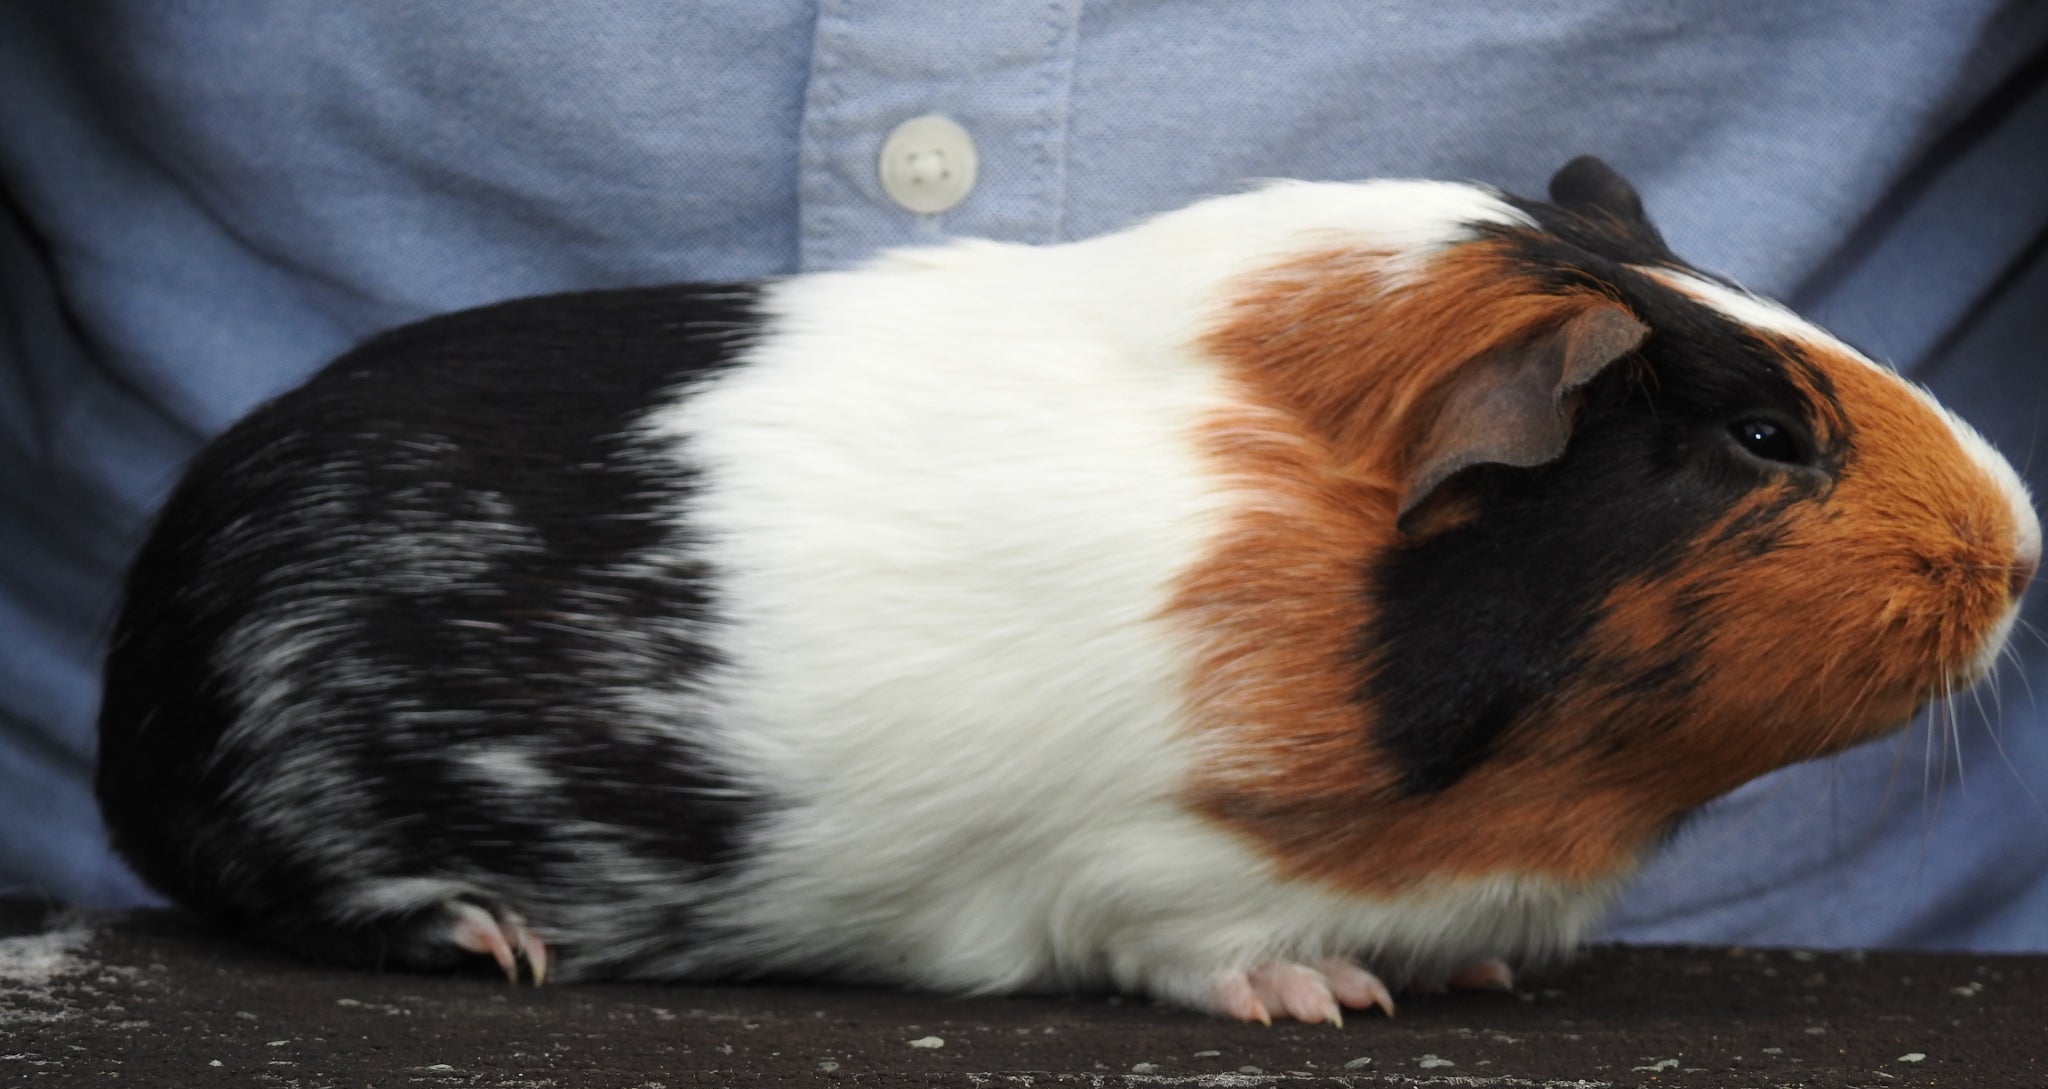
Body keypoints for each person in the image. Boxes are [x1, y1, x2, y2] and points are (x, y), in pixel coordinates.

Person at [3, 2, 2044, 949]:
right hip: (160, 959)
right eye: (1773, 445)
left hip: (1881, 987)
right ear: (1492, 445)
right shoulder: (1190, 594)